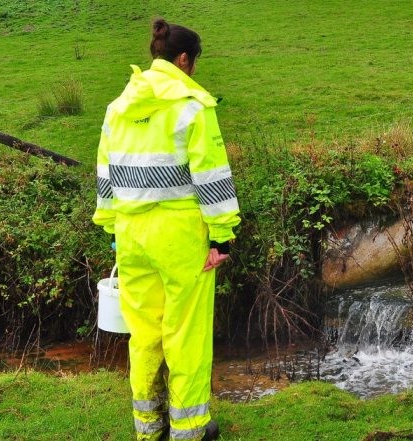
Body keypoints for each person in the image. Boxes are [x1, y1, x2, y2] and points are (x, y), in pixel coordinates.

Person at [92, 18, 239, 441]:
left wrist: (113, 229)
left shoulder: (118, 108)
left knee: (144, 333)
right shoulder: (192, 105)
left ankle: (148, 427)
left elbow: (106, 175)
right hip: (178, 234)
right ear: (183, 59)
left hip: (130, 233)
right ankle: (190, 428)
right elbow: (211, 176)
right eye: (194, 62)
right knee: (186, 334)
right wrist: (222, 235)